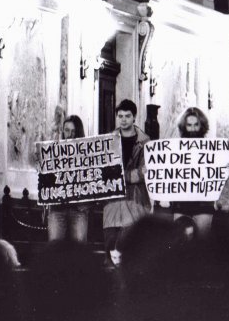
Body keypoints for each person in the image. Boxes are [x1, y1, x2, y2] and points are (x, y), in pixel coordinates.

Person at [102, 99, 151, 266]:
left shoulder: (146, 143)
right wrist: (131, 176)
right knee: (110, 252)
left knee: (134, 253)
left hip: (136, 202)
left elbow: (145, 172)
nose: (123, 120)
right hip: (113, 205)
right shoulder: (108, 141)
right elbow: (103, 171)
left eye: (127, 116)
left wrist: (119, 177)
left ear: (134, 117)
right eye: (120, 116)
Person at [170, 107, 216, 236]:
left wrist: (224, 168)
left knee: (202, 243)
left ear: (202, 126)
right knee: (180, 242)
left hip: (203, 202)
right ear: (184, 127)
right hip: (181, 202)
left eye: (196, 125)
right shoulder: (173, 149)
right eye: (189, 125)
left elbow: (217, 174)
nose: (193, 129)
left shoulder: (213, 149)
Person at [47, 115, 90, 242]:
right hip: (57, 208)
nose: (70, 134)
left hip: (79, 209)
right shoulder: (54, 151)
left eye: (73, 131)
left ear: (79, 133)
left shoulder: (87, 154)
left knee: (79, 252)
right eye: (66, 130)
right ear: (62, 131)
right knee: (54, 252)